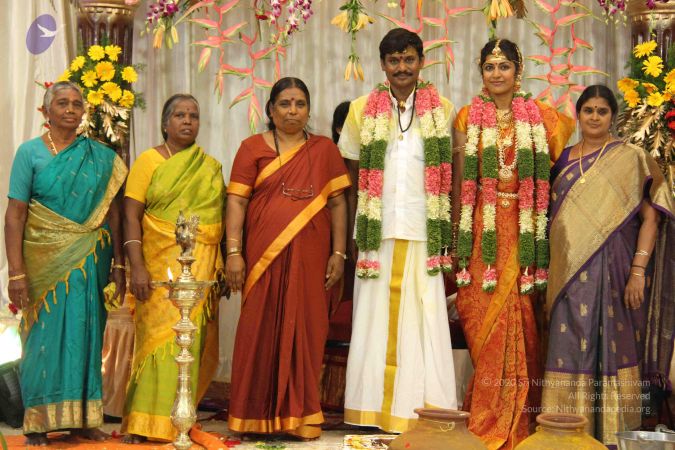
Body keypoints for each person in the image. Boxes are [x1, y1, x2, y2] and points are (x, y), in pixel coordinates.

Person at [452, 38, 574, 449]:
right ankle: (486, 415)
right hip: (480, 233)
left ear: (518, 71)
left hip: (525, 232)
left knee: (522, 322)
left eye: (504, 66)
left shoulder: (544, 118)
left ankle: (519, 419)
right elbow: (459, 183)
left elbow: (561, 172)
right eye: (489, 66)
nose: (497, 73)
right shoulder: (467, 117)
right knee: (479, 320)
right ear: (481, 72)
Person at [541, 85, 674, 448]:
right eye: (588, 110)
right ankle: (563, 434)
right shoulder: (562, 160)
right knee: (568, 344)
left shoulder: (630, 158)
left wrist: (638, 272)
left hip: (615, 272)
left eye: (602, 111)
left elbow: (652, 217)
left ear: (612, 117)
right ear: (579, 115)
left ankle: (614, 435)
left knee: (614, 344)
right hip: (566, 276)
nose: (595, 117)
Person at [340, 28, 457, 433]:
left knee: (425, 319)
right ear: (383, 65)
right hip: (377, 233)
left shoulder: (444, 109)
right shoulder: (360, 110)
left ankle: (425, 409)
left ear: (422, 62)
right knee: (372, 320)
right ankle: (369, 409)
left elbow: (451, 175)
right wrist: (354, 236)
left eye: (409, 59)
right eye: (394, 60)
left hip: (425, 230)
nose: (402, 67)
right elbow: (352, 176)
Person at [226, 77, 350, 440]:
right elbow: (237, 201)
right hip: (262, 255)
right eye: (284, 103)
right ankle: (253, 417)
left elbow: (338, 203)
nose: (292, 111)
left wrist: (339, 253)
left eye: (299, 104)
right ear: (270, 109)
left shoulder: (324, 150)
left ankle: (300, 417)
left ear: (309, 110)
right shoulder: (251, 148)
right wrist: (233, 252)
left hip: (312, 257)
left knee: (307, 330)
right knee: (258, 328)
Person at [4, 81, 127, 446]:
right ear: (46, 111)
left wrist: (119, 265)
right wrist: (16, 272)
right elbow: (15, 215)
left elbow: (114, 215)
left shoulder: (100, 156)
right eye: (62, 103)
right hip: (44, 263)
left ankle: (84, 420)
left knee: (87, 335)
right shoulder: (30, 153)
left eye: (76, 103)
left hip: (91, 260)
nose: (70, 109)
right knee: (43, 339)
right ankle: (38, 423)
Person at [121, 94, 226, 443]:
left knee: (189, 341)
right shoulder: (148, 161)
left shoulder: (209, 167)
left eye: (193, 115)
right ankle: (142, 423)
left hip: (199, 269)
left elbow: (216, 222)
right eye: (179, 115)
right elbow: (131, 216)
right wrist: (136, 266)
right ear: (165, 123)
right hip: (156, 269)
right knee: (154, 342)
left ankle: (179, 421)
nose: (187, 121)